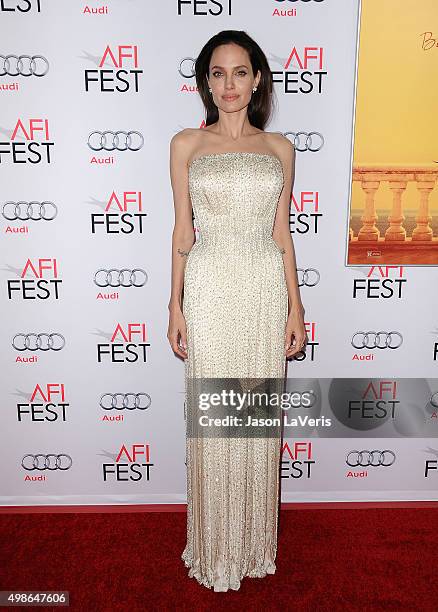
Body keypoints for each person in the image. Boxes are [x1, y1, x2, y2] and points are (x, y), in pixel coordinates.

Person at [167, 30, 306, 592]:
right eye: (218, 73)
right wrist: (174, 302)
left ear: (258, 79)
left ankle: (250, 542)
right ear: (206, 82)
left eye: (240, 72)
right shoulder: (186, 145)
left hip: (263, 289)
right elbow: (182, 229)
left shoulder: (280, 149)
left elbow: (282, 234)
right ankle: (213, 542)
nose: (229, 84)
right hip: (210, 285)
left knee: (254, 422)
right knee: (214, 422)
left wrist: (296, 305)